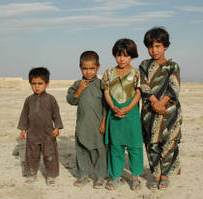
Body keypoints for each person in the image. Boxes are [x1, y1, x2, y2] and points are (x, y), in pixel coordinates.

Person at [139, 27, 182, 190]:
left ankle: (165, 176)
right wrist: (154, 102)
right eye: (150, 47)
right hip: (150, 112)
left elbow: (174, 87)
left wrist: (162, 103)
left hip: (169, 112)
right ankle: (155, 174)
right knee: (152, 144)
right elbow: (143, 85)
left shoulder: (173, 66)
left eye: (158, 46)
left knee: (169, 143)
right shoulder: (144, 65)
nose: (154, 50)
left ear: (165, 46)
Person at [101, 38, 143, 191]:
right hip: (114, 115)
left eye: (126, 55)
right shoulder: (108, 73)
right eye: (119, 55)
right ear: (114, 55)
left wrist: (127, 108)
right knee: (115, 148)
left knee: (135, 147)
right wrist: (113, 107)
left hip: (131, 116)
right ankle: (115, 177)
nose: (122, 59)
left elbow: (139, 93)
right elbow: (106, 91)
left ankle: (135, 177)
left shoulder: (136, 73)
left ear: (132, 56)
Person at [66, 51, 107, 189]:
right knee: (82, 149)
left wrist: (104, 122)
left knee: (99, 151)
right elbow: (71, 100)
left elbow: (106, 105)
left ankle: (100, 176)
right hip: (82, 125)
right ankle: (83, 175)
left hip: (98, 125)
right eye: (85, 68)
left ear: (98, 67)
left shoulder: (102, 85)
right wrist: (79, 90)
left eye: (92, 68)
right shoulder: (77, 84)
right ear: (80, 68)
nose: (88, 72)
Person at [18, 67, 63, 185]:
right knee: (31, 155)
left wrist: (57, 127)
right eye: (33, 83)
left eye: (40, 83)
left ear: (47, 84)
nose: (36, 86)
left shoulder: (51, 99)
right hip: (32, 133)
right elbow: (24, 115)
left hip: (48, 134)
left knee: (49, 155)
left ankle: (50, 175)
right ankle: (32, 174)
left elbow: (56, 114)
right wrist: (23, 129)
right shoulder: (28, 100)